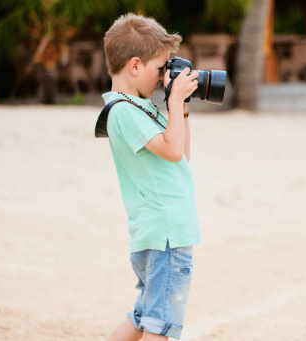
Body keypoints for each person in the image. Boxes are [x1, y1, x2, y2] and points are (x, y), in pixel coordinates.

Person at [101, 13, 201, 341]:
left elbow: (180, 154)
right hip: (165, 235)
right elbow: (174, 152)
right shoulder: (124, 111)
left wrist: (181, 107)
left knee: (144, 317)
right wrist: (172, 100)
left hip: (160, 233)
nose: (163, 78)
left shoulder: (139, 108)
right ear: (134, 66)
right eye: (160, 69)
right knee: (159, 327)